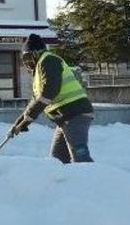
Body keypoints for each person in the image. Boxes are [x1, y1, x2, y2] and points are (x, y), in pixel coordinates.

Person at [10, 34, 94, 163]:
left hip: (75, 114)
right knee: (57, 161)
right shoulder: (39, 69)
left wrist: (29, 118)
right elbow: (35, 101)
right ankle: (66, 183)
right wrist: (20, 122)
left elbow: (49, 93)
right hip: (65, 118)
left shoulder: (49, 61)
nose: (26, 62)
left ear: (36, 53)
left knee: (80, 158)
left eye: (27, 57)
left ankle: (95, 181)